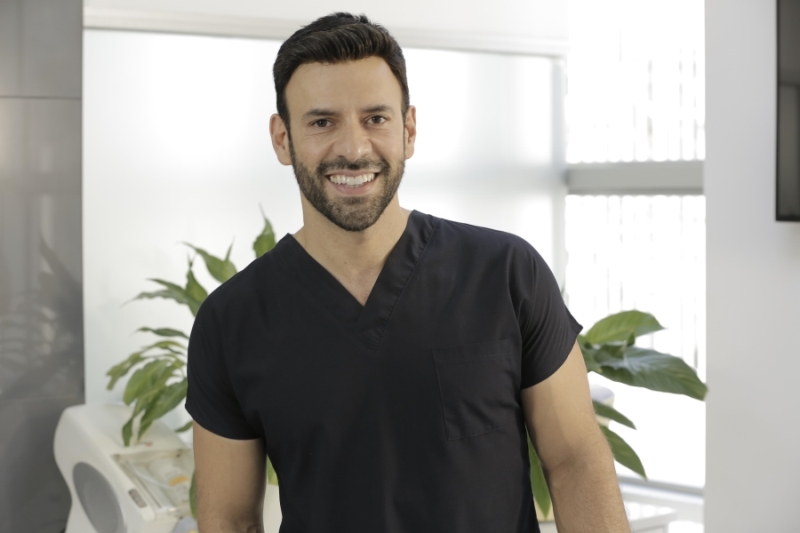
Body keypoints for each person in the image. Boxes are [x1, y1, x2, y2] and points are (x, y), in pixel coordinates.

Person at [186, 12, 630, 533]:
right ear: (282, 139)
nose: (353, 149)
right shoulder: (230, 320)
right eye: (322, 122)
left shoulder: (507, 274)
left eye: (375, 118)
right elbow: (230, 519)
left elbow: (576, 462)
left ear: (409, 129)